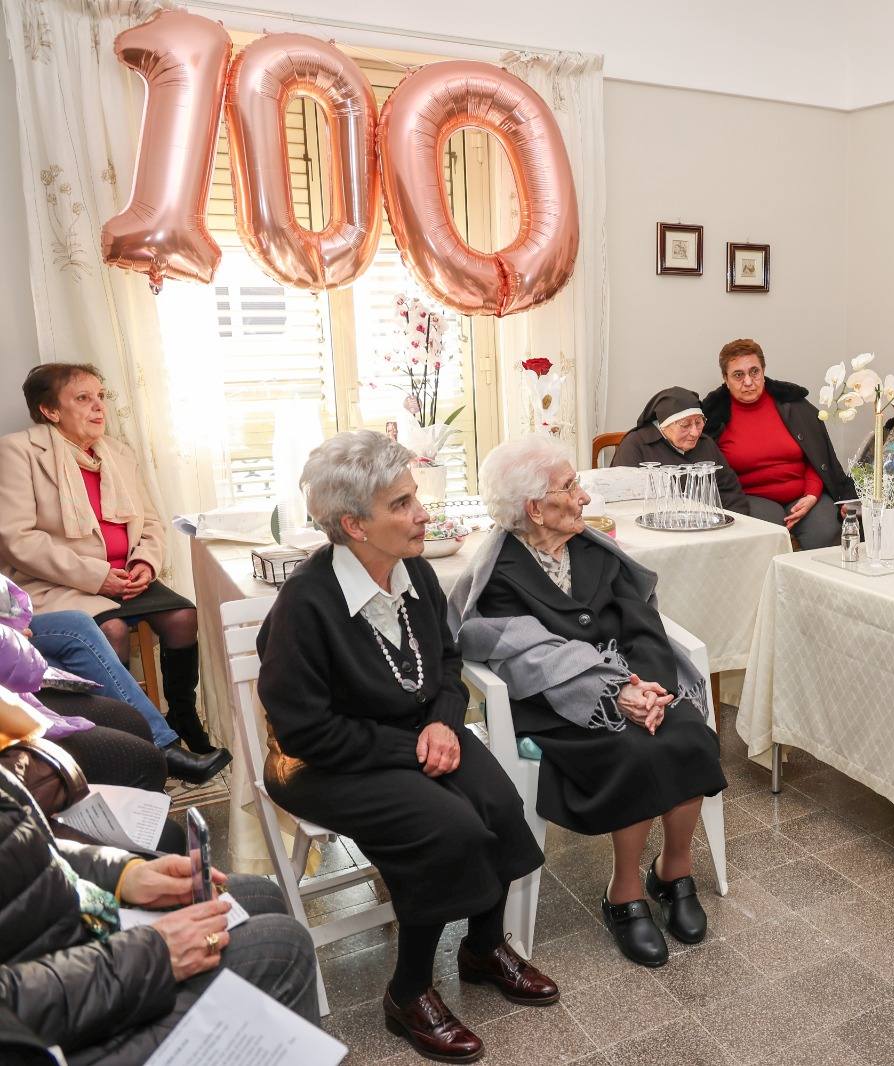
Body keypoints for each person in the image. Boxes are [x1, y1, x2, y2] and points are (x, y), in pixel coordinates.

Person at [256, 431, 556, 1062]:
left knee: (497, 804)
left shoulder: (412, 569)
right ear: (352, 525)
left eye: (414, 497)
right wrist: (415, 749)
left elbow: (446, 662)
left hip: (418, 735)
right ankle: (409, 990)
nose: (422, 513)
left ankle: (481, 948)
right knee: (448, 828)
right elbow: (305, 731)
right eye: (401, 504)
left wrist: (445, 725)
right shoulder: (305, 606)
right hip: (321, 761)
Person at [451, 435, 728, 970]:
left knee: (691, 735)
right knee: (634, 753)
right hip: (557, 705)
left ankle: (673, 871)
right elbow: (528, 657)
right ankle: (623, 892)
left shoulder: (590, 549)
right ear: (535, 507)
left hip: (636, 686)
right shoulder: (502, 574)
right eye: (570, 486)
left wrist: (647, 685)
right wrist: (610, 691)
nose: (584, 497)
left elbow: (641, 621)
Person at [0, 765, 318, 1065]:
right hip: (42, 1034)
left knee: (257, 897)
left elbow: (30, 844)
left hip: (69, 943)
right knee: (284, 949)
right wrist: (153, 956)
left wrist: (125, 876)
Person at [0, 363, 224, 758]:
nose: (98, 407)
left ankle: (184, 716)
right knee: (114, 630)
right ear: (50, 411)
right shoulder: (18, 451)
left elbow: (150, 520)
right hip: (64, 582)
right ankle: (130, 739)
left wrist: (146, 564)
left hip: (128, 576)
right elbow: (16, 539)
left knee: (183, 617)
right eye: (83, 399)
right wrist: (99, 577)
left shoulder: (117, 452)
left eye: (101, 397)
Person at [2, 575, 226, 784]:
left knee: (79, 625)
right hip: (66, 581)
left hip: (121, 577)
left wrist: (144, 563)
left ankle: (176, 726)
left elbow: (151, 532)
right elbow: (23, 545)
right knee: (105, 634)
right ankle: (159, 749)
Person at [702, 338, 852, 549]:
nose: (748, 381)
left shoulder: (794, 405)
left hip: (804, 493)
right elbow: (715, 476)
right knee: (767, 535)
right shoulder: (713, 418)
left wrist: (811, 494)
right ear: (725, 379)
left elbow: (816, 458)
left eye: (754, 371)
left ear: (763, 371)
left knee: (827, 531)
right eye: (738, 375)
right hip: (750, 497)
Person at [611, 387, 752, 515]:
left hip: (706, 528)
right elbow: (624, 504)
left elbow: (730, 493)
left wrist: (735, 525)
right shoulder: (635, 445)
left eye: (699, 422)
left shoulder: (706, 444)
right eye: (685, 425)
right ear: (664, 426)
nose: (695, 433)